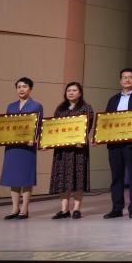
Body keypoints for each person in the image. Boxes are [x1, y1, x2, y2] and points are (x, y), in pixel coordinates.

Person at [103, 68, 132, 219]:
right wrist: (101, 137)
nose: (127, 80)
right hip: (115, 144)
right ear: (120, 80)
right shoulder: (113, 99)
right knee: (116, 177)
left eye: (130, 77)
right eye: (124, 77)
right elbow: (106, 121)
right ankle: (117, 208)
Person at [49, 82, 94, 219]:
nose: (71, 93)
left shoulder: (86, 108)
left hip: (78, 149)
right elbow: (54, 128)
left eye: (74, 90)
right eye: (69, 90)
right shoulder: (60, 109)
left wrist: (80, 139)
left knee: (78, 178)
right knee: (62, 178)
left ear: (80, 93)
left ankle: (76, 209)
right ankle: (64, 210)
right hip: (62, 149)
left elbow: (87, 127)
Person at [0, 77, 43, 220]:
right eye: (19, 87)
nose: (21, 89)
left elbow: (39, 126)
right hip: (12, 147)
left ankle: (24, 208)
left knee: (26, 178)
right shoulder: (11, 106)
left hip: (27, 147)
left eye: (24, 86)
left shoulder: (36, 105)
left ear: (30, 89)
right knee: (13, 177)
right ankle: (14, 208)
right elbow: (5, 126)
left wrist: (34, 138)